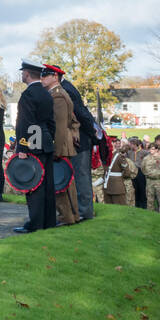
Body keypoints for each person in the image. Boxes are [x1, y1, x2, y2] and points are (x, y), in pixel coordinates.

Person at [48, 65, 101, 221]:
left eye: (46, 75)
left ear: (55, 76)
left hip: (81, 140)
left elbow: (81, 114)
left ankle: (85, 212)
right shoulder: (66, 87)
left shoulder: (66, 90)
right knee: (78, 176)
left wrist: (93, 134)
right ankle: (80, 211)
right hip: (81, 138)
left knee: (81, 177)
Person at [13, 58, 57, 233]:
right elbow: (51, 122)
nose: (22, 75)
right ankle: (48, 221)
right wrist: (48, 139)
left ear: (27, 74)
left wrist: (23, 147)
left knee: (33, 184)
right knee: (47, 184)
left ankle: (35, 223)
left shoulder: (28, 95)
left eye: (23, 72)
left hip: (32, 143)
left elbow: (25, 123)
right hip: (44, 141)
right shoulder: (46, 93)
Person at [40, 66, 80, 225]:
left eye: (45, 76)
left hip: (61, 145)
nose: (42, 79)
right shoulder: (58, 94)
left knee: (61, 182)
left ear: (55, 76)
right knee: (66, 183)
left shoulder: (57, 96)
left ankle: (67, 216)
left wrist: (56, 150)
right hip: (63, 144)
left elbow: (60, 125)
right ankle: (72, 215)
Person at [101, 137, 138, 207]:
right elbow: (127, 172)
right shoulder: (120, 156)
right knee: (120, 206)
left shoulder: (105, 156)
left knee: (109, 207)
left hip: (106, 185)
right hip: (117, 186)